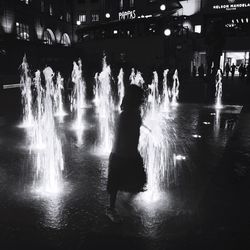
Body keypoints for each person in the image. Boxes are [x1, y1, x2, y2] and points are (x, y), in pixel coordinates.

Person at [106, 84, 147, 223]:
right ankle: (111, 209)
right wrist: (124, 153)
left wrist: (147, 128)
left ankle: (124, 203)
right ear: (134, 99)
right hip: (121, 154)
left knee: (140, 181)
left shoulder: (135, 113)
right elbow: (121, 136)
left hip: (130, 154)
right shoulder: (125, 116)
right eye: (140, 97)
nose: (143, 99)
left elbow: (137, 125)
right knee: (115, 185)